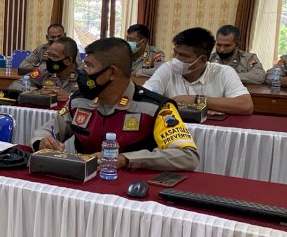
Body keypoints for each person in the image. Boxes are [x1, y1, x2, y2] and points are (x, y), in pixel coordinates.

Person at [31, 37, 199, 171]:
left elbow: (187, 156)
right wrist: (42, 142)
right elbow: (47, 130)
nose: (83, 72)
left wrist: (126, 160)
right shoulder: (79, 100)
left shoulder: (157, 107)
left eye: (89, 66)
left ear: (111, 72)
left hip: (132, 194)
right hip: (82, 186)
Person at [145, 27, 254, 115]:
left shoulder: (223, 72)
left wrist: (195, 100)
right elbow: (144, 98)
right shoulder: (167, 69)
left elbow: (246, 105)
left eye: (183, 55)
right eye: (175, 52)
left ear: (202, 59)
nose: (176, 59)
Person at [9, 37, 79, 101]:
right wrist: (37, 91)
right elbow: (14, 86)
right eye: (49, 55)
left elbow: (89, 99)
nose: (50, 59)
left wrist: (70, 96)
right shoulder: (44, 70)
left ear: (68, 61)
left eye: (54, 56)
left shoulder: (83, 74)